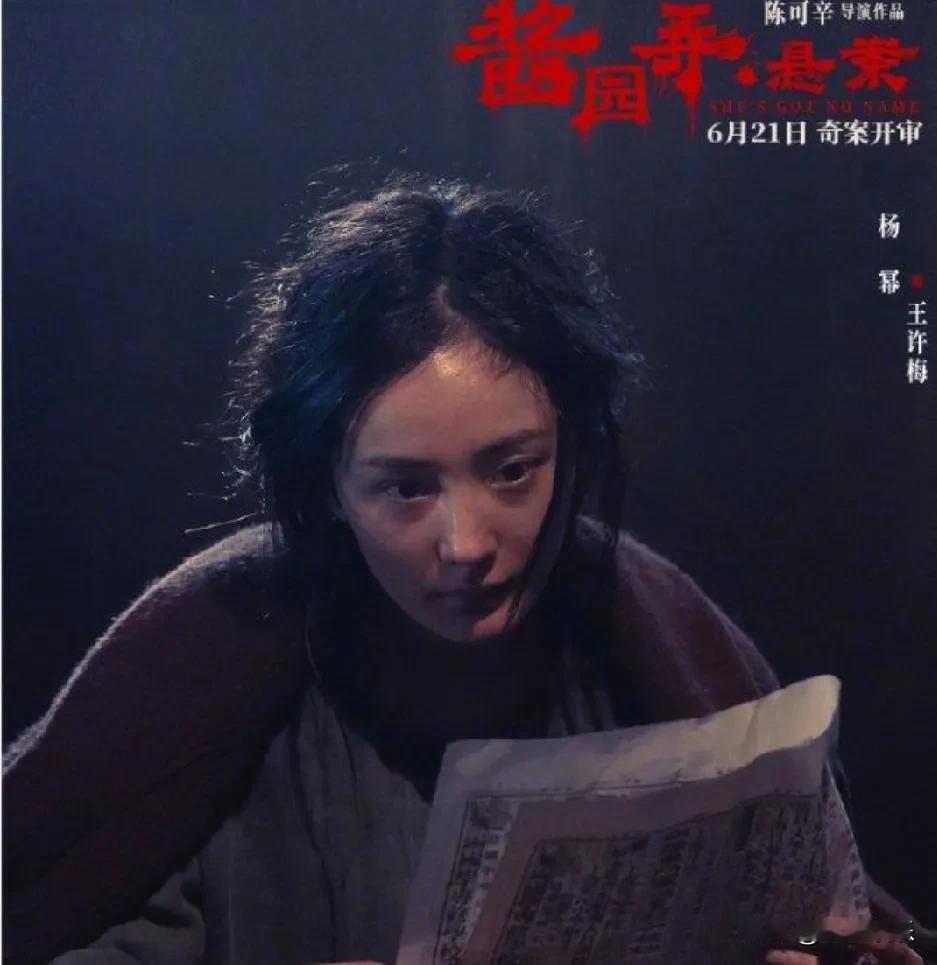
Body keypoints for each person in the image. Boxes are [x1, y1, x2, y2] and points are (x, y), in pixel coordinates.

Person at [3, 177, 922, 965]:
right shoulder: (212, 664)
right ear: (326, 485)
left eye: (511, 469)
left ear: (571, 447)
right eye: (405, 487)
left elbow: (830, 924)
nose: (466, 543)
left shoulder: (662, 647)